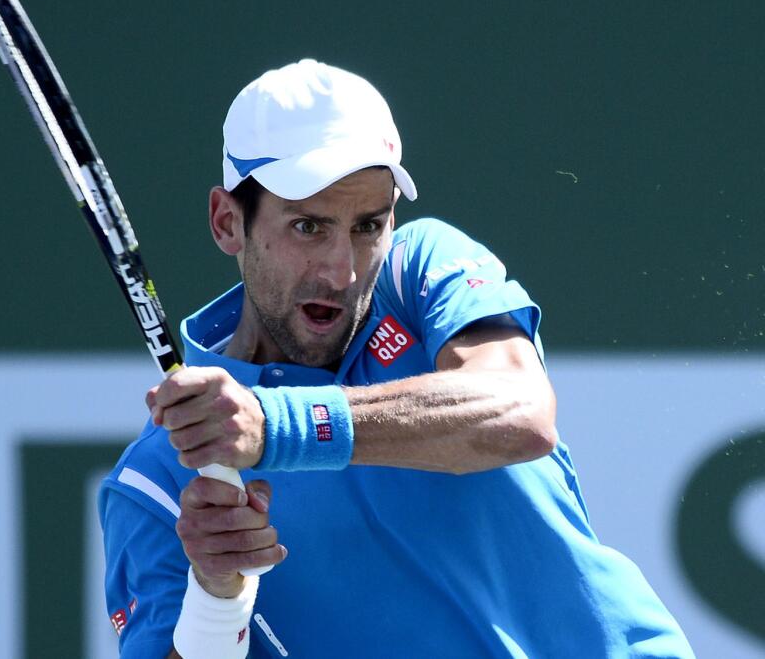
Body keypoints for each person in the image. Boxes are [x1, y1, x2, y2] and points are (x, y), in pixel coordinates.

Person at [98, 59, 693, 658]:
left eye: (368, 225)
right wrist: (216, 597)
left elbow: (520, 411)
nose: (343, 269)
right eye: (308, 226)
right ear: (229, 223)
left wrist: (274, 426)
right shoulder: (154, 481)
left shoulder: (416, 272)